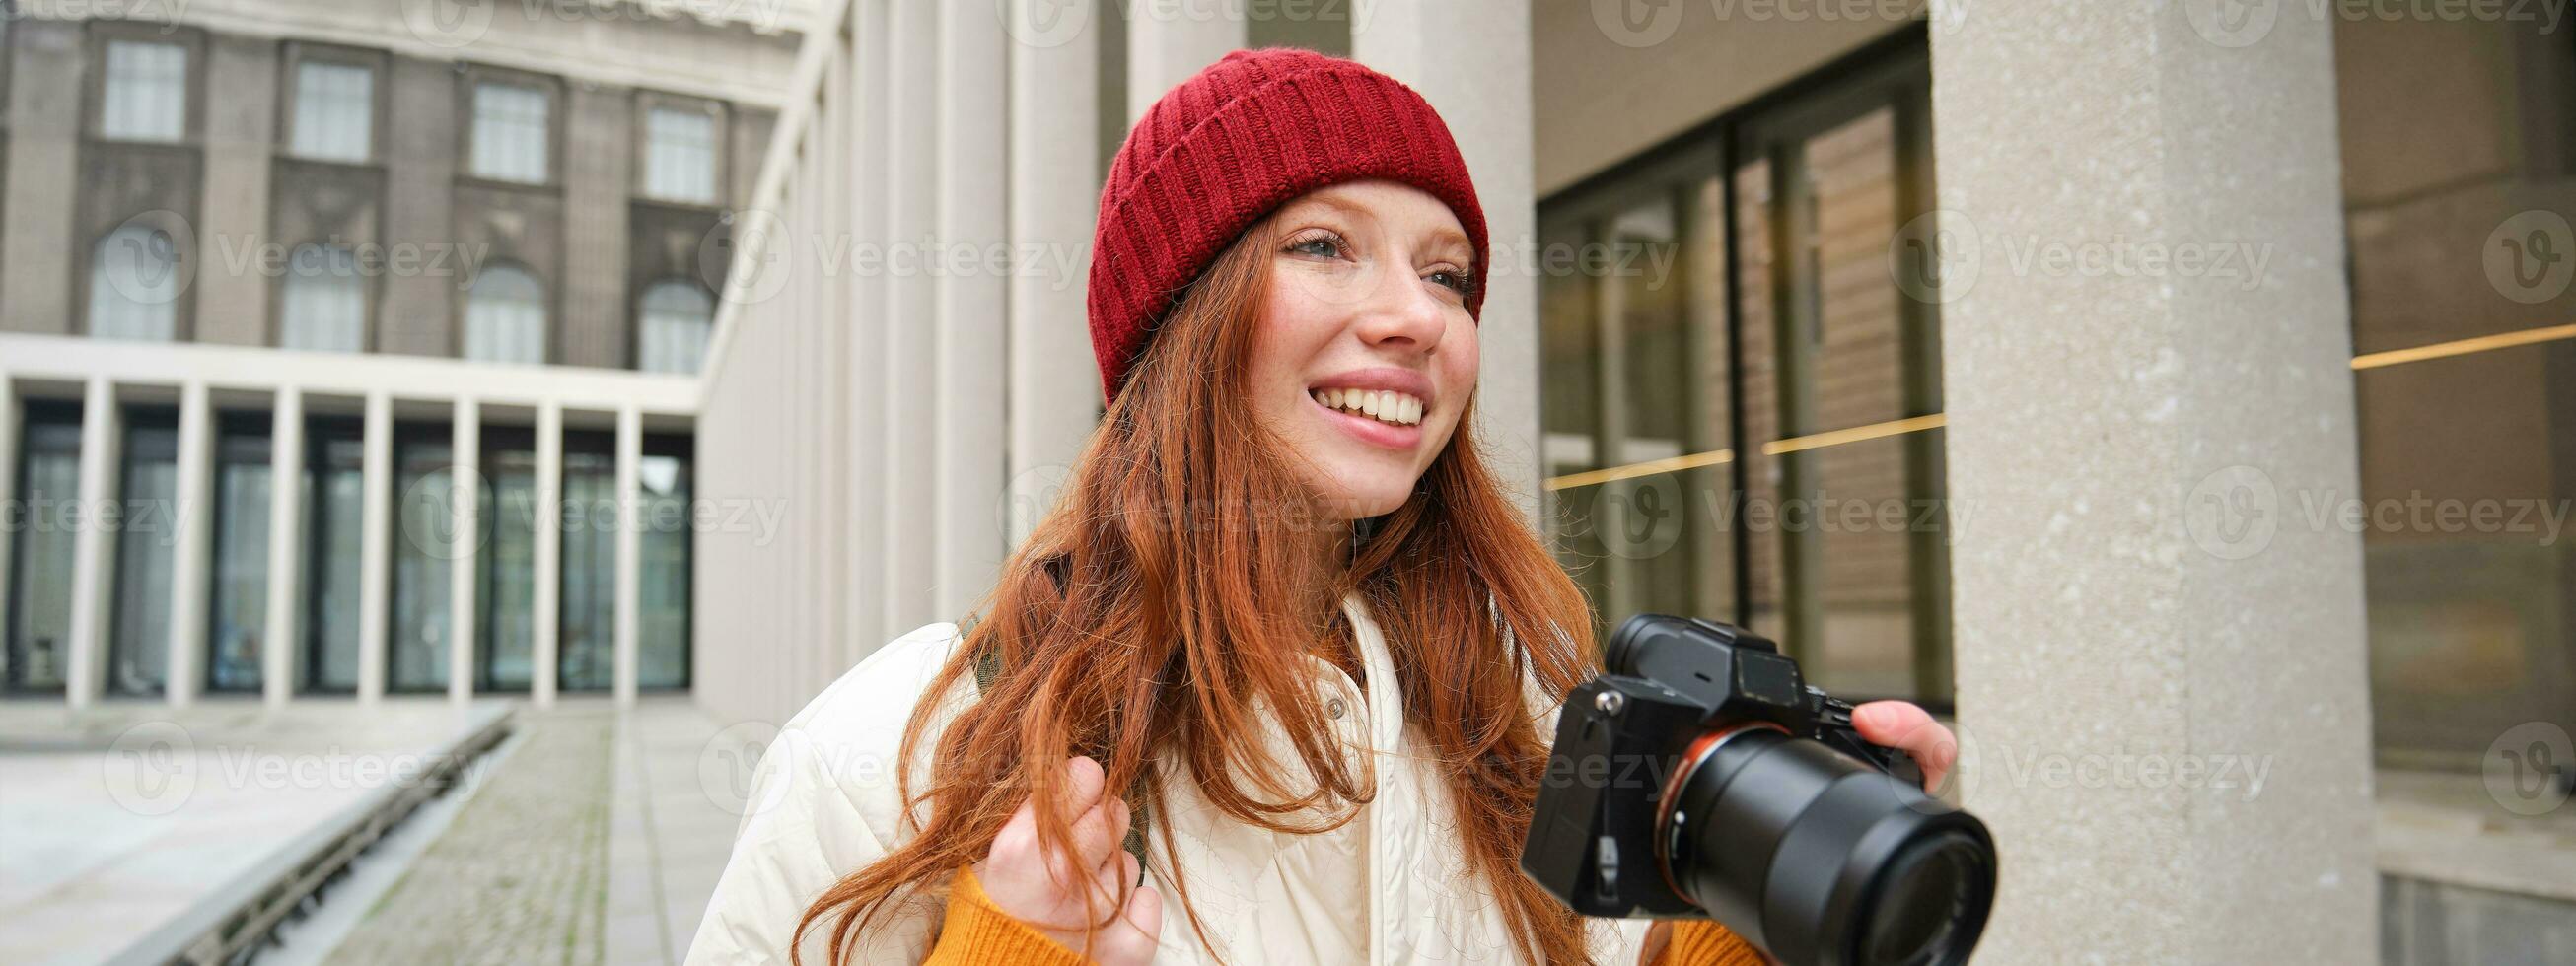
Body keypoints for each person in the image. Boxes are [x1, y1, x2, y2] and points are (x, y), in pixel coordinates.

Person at [685, 47, 1957, 966]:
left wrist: (1755, 922)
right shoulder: (903, 747)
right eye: (1323, 246)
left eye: (1448, 273)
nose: (1419, 315)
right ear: (1183, 326)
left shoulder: (1516, 703)